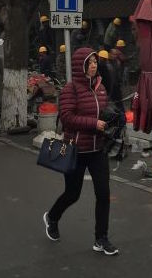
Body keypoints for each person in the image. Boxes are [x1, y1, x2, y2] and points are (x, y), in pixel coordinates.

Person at [43, 48, 118, 256]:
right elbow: (67, 117)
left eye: (95, 61)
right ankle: (52, 217)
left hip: (98, 149)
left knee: (103, 194)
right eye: (89, 62)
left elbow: (103, 111)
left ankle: (101, 239)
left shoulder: (100, 87)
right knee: (72, 194)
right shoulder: (70, 89)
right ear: (80, 66)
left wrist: (113, 120)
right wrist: (95, 124)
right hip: (77, 149)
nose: (93, 65)